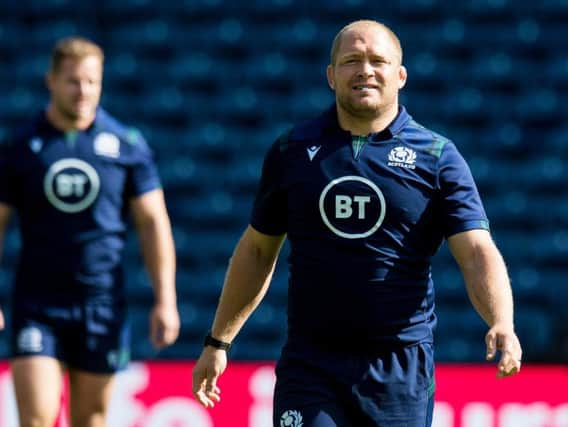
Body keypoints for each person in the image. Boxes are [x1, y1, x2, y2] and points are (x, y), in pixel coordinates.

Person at [191, 19, 522, 427]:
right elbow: (258, 250)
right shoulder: (291, 150)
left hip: (398, 368)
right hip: (310, 364)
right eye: (351, 60)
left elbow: (476, 251)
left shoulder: (438, 156)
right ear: (331, 76)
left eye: (377, 60)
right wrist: (218, 341)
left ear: (400, 75)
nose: (365, 70)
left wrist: (501, 321)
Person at [0, 36, 180, 427]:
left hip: (101, 303)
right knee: (36, 419)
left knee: (91, 420)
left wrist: (165, 299)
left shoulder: (127, 145)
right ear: (51, 80)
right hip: (37, 305)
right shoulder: (20, 147)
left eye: (92, 82)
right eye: (73, 81)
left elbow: (153, 222)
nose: (83, 91)